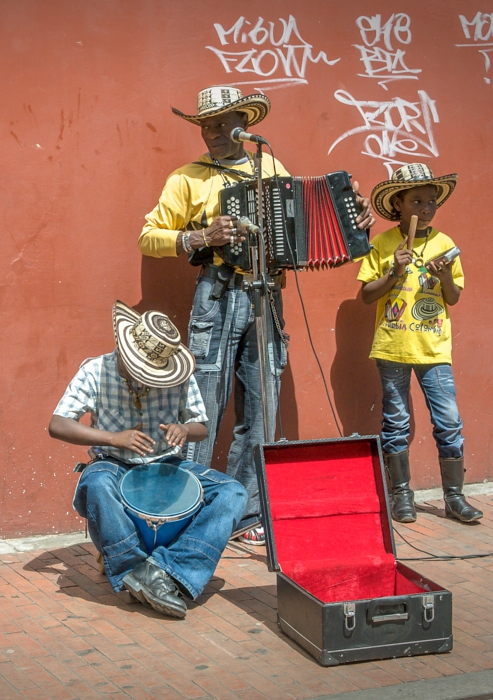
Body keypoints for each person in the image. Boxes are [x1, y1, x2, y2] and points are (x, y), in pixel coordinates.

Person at [139, 86, 374, 544]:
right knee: (202, 404)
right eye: (203, 124)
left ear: (243, 124)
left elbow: (302, 217)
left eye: (219, 123)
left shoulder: (270, 166)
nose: (209, 132)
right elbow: (148, 236)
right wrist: (200, 237)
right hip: (217, 294)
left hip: (266, 295)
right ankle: (188, 510)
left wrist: (353, 216)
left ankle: (246, 514)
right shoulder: (186, 178)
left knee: (262, 407)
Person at [48, 301, 247, 618]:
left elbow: (201, 426)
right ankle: (133, 567)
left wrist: (184, 429)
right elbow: (57, 424)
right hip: (112, 462)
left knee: (232, 492)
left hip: (166, 464)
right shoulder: (95, 370)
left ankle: (164, 571)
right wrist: (114, 438)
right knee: (96, 484)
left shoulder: (176, 372)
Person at [358, 163, 482, 524]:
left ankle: (454, 497)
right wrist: (394, 271)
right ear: (398, 204)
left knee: (448, 421)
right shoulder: (382, 244)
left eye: (431, 202)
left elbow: (454, 297)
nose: (426, 209)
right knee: (395, 422)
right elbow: (366, 295)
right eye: (417, 201)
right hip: (393, 347)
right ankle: (401, 495)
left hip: (434, 350)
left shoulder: (444, 244)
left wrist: (445, 277)